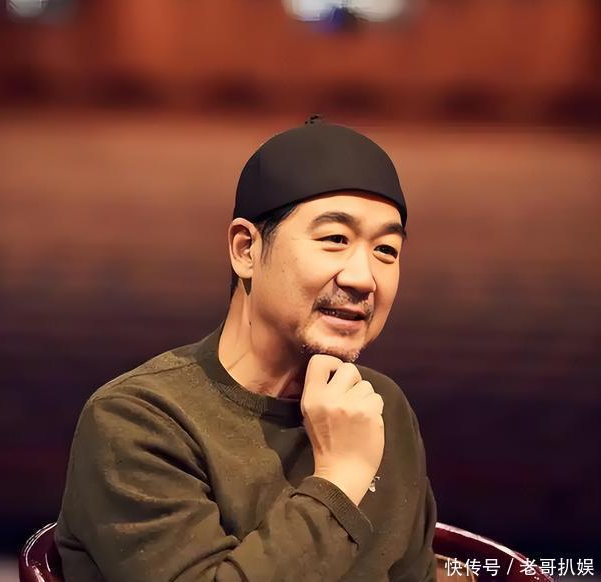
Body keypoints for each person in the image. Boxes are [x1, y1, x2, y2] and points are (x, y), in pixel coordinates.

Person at [55, 117, 438, 581]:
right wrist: (340, 478)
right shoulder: (139, 419)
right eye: (335, 239)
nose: (363, 278)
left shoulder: (381, 407)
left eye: (386, 251)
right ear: (245, 250)